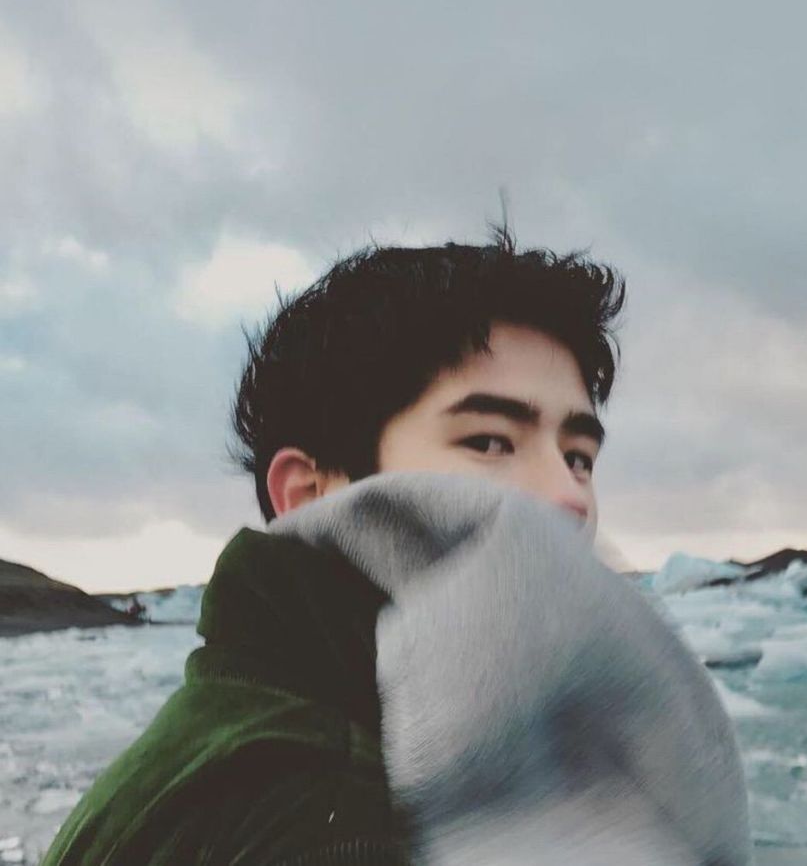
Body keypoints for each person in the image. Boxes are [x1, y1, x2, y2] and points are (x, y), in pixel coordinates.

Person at [39, 223, 632, 864]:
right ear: (312, 494)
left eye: (578, 457)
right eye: (489, 441)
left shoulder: (259, 723)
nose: (569, 496)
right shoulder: (328, 815)